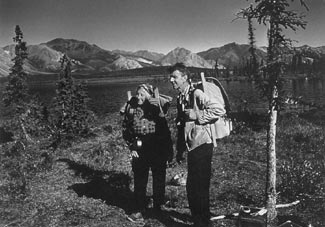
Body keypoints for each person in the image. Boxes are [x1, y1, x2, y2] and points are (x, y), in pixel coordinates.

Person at [168, 63, 226, 227]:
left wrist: (197, 114)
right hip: (192, 145)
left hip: (202, 144)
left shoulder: (196, 93)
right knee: (193, 186)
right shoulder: (181, 96)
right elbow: (182, 125)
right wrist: (180, 149)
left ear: (185, 77)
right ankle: (199, 220)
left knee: (198, 186)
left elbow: (218, 110)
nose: (171, 80)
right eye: (171, 77)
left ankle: (203, 222)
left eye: (175, 77)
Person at [121, 83, 173, 222]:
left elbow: (165, 131)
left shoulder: (157, 109)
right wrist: (132, 147)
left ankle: (158, 207)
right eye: (137, 94)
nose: (139, 97)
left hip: (157, 148)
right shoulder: (132, 110)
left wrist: (169, 151)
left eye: (142, 94)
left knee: (159, 179)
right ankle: (139, 209)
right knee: (140, 180)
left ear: (149, 96)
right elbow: (126, 130)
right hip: (140, 149)